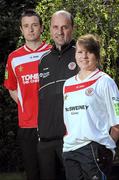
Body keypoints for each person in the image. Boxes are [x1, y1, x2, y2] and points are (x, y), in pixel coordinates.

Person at [63, 34, 119, 180]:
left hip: (94, 149)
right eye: (80, 52)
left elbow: (118, 121)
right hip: (70, 149)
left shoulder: (105, 81)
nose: (84, 56)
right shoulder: (68, 84)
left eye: (88, 52)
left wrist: (107, 147)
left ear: (96, 55)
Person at [4, 9, 51, 180]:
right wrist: (25, 105)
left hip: (52, 125)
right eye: (26, 26)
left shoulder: (52, 53)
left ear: (41, 28)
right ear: (21, 30)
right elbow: (11, 87)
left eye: (34, 25)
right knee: (33, 174)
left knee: (52, 174)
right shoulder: (14, 58)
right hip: (27, 126)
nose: (30, 30)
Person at [38, 10, 77, 180]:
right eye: (55, 27)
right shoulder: (43, 60)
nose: (59, 32)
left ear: (72, 29)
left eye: (64, 27)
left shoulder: (82, 55)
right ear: (50, 29)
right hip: (46, 139)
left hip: (72, 138)